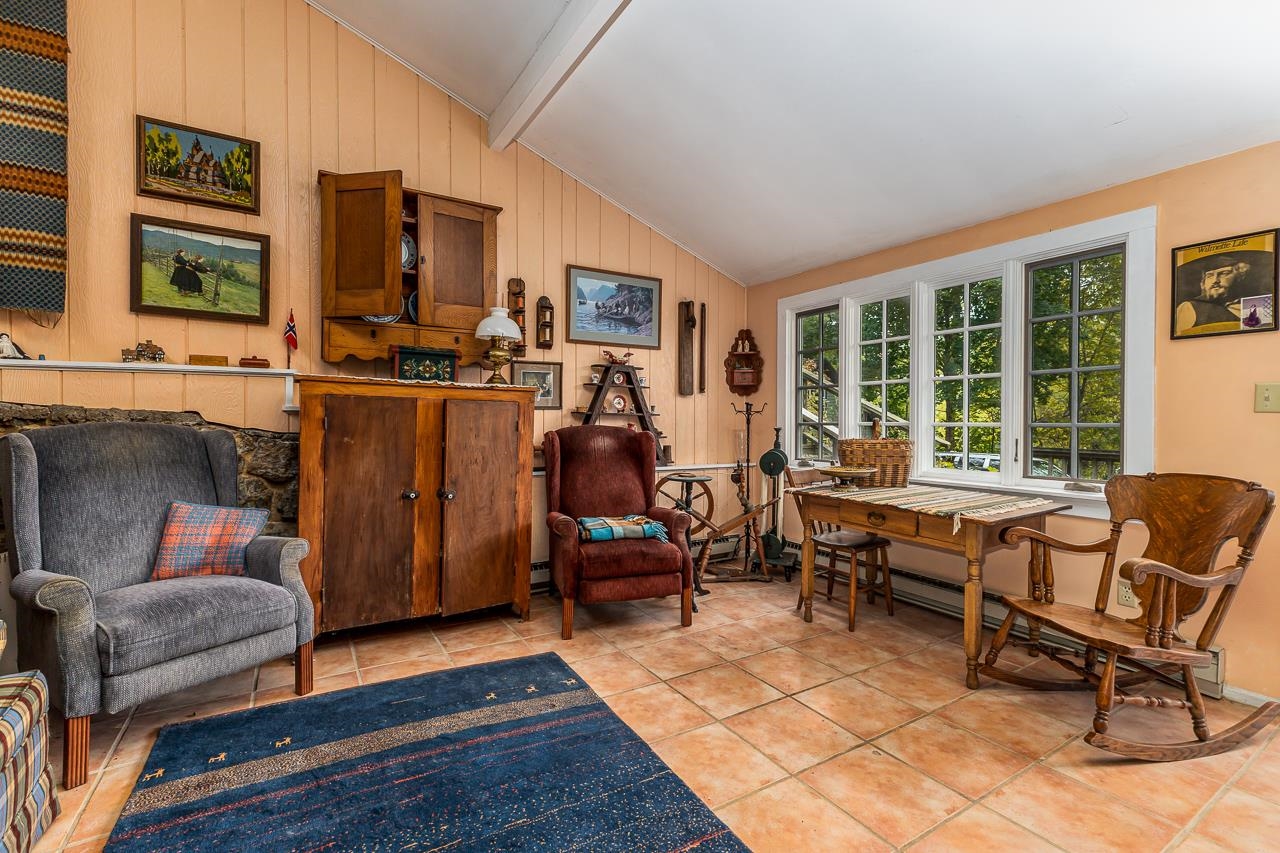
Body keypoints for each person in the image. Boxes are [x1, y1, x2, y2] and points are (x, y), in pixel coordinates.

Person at [1175, 254, 1249, 336]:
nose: (1215, 280)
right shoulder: (1189, 307)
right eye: (1209, 276)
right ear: (1203, 283)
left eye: (1224, 273)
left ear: (1240, 276)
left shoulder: (1253, 306)